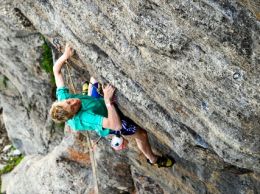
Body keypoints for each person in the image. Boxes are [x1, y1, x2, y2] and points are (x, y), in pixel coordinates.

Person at [49, 43, 175, 168]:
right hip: (109, 121)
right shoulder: (85, 118)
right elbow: (115, 124)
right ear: (73, 115)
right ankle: (153, 160)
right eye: (73, 107)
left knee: (94, 78)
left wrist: (65, 55)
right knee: (141, 135)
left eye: (69, 102)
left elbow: (56, 71)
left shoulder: (63, 99)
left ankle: (88, 95)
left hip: (96, 103)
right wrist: (108, 102)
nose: (74, 102)